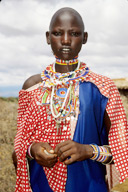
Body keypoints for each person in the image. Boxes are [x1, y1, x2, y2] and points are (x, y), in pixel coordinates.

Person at [13, 7, 128, 192]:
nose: (65, 40)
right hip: (40, 186)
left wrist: (88, 151)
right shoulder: (32, 87)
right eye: (58, 33)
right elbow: (16, 152)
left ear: (85, 37)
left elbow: (122, 151)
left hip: (90, 186)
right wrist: (32, 150)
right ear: (48, 37)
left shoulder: (103, 88)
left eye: (74, 33)